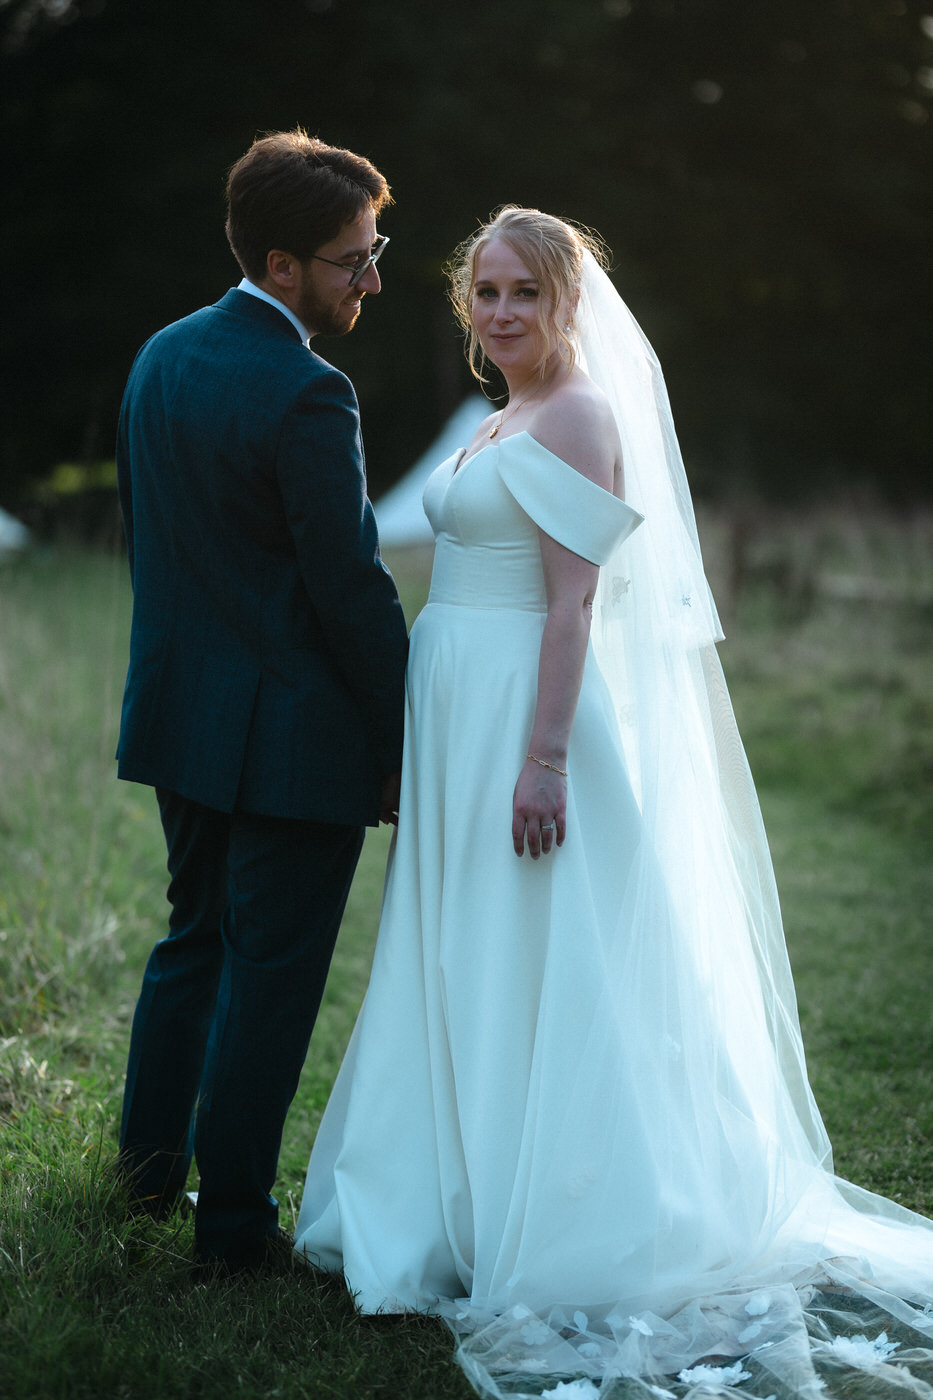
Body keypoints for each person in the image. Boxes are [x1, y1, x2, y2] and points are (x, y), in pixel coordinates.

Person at [294, 206, 933, 1397]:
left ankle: (578, 1203)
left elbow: (576, 605)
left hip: (529, 724)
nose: (498, 312)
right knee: (464, 950)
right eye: (483, 291)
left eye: (522, 293)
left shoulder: (581, 411)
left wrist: (543, 760)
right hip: (459, 716)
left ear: (566, 301)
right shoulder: (502, 415)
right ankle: (459, 1190)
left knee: (549, 947)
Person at [115, 129, 409, 1273]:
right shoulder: (306, 389)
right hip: (294, 739)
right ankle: (232, 1226)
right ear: (281, 264)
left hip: (182, 713)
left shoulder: (160, 354)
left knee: (192, 942)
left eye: (375, 251)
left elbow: (161, 548)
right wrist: (404, 734)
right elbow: (349, 585)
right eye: (353, 259)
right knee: (272, 979)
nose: (372, 279)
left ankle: (146, 1178)